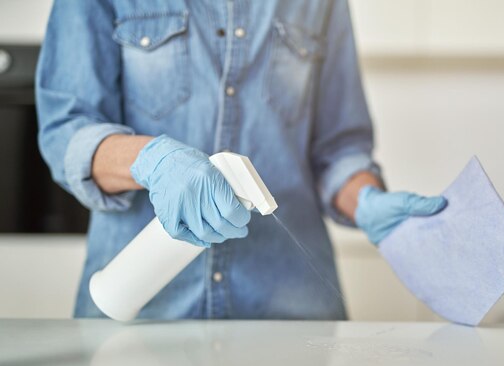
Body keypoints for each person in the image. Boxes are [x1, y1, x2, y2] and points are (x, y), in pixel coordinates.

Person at [36, 0, 446, 320]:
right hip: (141, 310)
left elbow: (338, 151)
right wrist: (152, 161)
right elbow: (66, 130)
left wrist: (368, 202)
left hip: (290, 320)